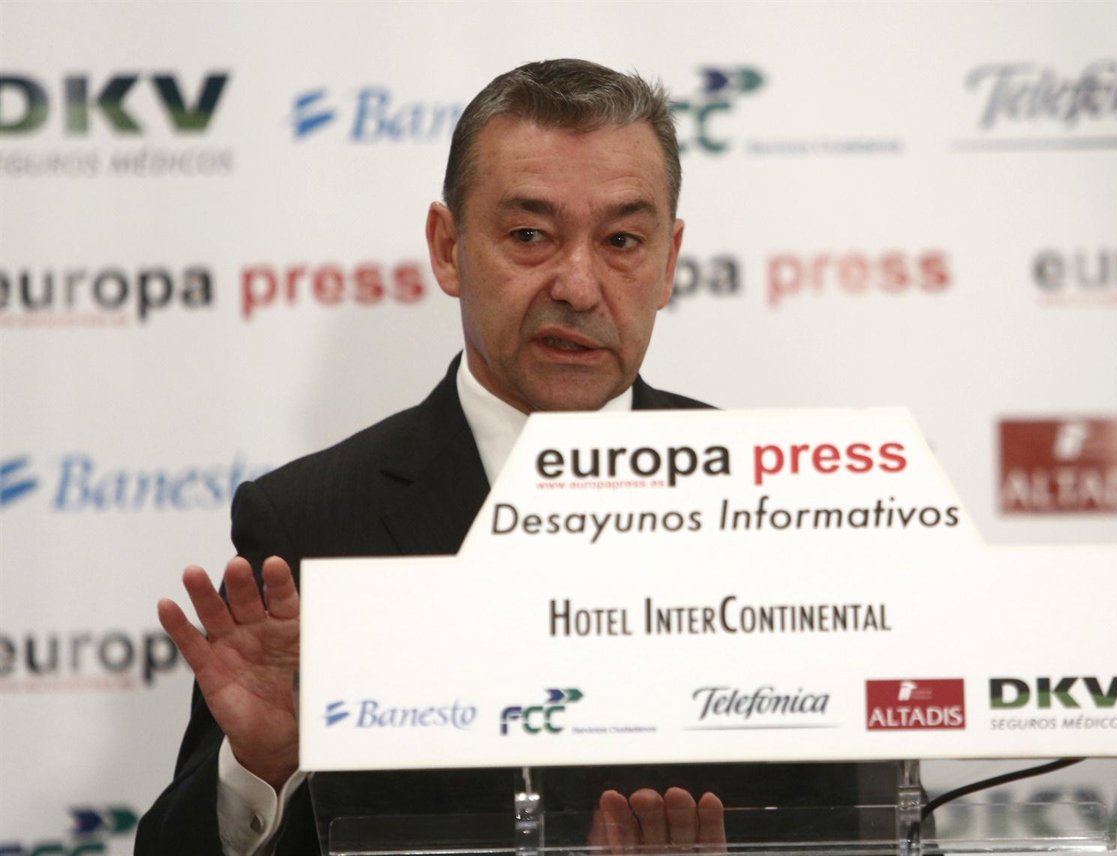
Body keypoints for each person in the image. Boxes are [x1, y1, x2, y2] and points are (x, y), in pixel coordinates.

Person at [135, 59, 739, 855]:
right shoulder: (311, 522)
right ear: (448, 248)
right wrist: (262, 764)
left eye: (622, 240)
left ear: (668, 260)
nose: (578, 285)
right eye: (530, 236)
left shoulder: (768, 498)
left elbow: (854, 810)